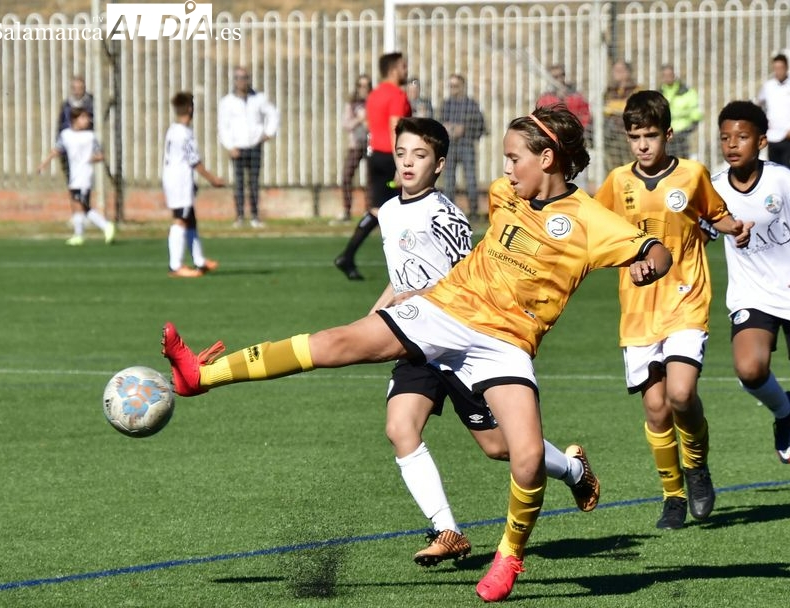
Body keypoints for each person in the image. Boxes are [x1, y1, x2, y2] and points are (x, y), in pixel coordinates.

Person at [161, 105, 673, 602]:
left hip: (505, 343)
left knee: (525, 455)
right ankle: (201, 377)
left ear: (547, 159)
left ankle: (509, 556)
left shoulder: (589, 219)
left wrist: (648, 263)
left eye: (514, 157)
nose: (504, 169)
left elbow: (653, 248)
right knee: (337, 343)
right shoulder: (504, 194)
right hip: (443, 312)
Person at [371, 117, 600, 566]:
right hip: (416, 339)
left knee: (499, 446)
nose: (408, 163)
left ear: (439, 165)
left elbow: (469, 275)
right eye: (401, 154)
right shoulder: (388, 211)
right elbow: (399, 280)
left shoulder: (444, 214)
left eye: (419, 156)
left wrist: (419, 298)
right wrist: (376, 319)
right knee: (400, 428)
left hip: (460, 342)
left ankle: (573, 469)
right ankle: (447, 529)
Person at [595, 90, 753, 530]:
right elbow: (593, 227)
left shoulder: (691, 175)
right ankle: (672, 494)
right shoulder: (618, 183)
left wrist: (735, 229)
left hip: (686, 297)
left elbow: (716, 215)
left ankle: (697, 467)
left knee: (682, 394)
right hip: (638, 310)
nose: (642, 145)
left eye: (650, 136)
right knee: (657, 409)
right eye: (634, 137)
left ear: (667, 135)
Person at [710, 100, 790, 463]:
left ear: (760, 141)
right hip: (752, 296)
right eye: (725, 137)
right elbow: (697, 231)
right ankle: (786, 414)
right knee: (749, 369)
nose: (731, 144)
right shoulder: (713, 190)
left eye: (741, 137)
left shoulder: (782, 179)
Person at [334, 52, 411, 281]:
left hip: (376, 156)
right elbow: (395, 127)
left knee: (379, 209)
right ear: (394, 69)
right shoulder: (396, 95)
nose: (407, 71)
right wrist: (401, 163)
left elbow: (373, 124)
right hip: (391, 158)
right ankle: (406, 266)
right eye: (404, 66)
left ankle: (348, 256)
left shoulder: (375, 95)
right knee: (404, 209)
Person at [162, 92, 226, 278]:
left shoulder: (173, 130)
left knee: (190, 219)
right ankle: (175, 266)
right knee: (180, 220)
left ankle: (199, 260)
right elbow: (193, 160)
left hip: (173, 177)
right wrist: (212, 179)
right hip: (179, 180)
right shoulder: (184, 133)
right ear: (190, 109)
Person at [37, 107, 115, 246]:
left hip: (85, 176)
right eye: (83, 118)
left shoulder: (90, 136)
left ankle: (106, 226)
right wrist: (44, 164)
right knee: (76, 206)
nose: (87, 121)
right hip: (74, 176)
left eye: (87, 118)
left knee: (83, 206)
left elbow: (100, 155)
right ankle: (79, 235)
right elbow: (56, 150)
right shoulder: (66, 135)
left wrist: (93, 159)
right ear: (74, 120)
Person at [217, 66, 280, 228]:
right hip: (237, 147)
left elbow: (273, 114)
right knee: (238, 183)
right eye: (238, 78)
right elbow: (223, 127)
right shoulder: (227, 102)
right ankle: (239, 217)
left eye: (244, 78)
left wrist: (268, 133)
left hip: (254, 145)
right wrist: (230, 146)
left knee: (253, 183)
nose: (241, 81)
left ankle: (254, 216)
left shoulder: (259, 98)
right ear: (234, 80)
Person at [536, 63, 592, 189]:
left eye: (561, 76)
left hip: (574, 142)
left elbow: (585, 116)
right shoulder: (545, 99)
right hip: (554, 143)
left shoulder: (575, 96)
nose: (558, 79)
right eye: (554, 77)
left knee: (579, 175)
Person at [440, 74, 485, 218]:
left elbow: (481, 125)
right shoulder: (446, 105)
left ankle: (473, 210)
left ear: (462, 86)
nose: (453, 89)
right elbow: (439, 123)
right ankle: (449, 210)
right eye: (451, 86)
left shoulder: (471, 105)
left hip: (466, 145)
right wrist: (446, 128)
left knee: (471, 180)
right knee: (449, 181)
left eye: (456, 86)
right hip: (450, 147)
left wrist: (464, 128)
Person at [336, 75, 372, 224]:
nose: (363, 89)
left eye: (366, 85)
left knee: (372, 179)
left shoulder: (373, 103)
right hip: (356, 144)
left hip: (371, 145)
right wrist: (359, 119)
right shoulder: (352, 104)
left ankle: (370, 211)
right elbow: (346, 124)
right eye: (360, 85)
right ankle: (347, 210)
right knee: (346, 176)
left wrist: (368, 121)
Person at [603, 59, 640, 173]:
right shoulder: (609, 90)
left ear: (628, 72)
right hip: (612, 134)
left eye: (620, 70)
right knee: (612, 166)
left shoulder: (636, 89)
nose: (617, 73)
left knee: (631, 165)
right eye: (615, 70)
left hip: (628, 133)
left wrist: (613, 109)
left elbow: (630, 107)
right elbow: (603, 108)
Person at [57, 75, 95, 186]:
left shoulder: (91, 104)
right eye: (75, 88)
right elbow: (61, 125)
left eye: (80, 88)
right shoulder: (66, 105)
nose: (77, 91)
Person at [755, 53, 790, 169]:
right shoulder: (768, 86)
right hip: (772, 136)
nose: (778, 71)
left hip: (788, 136)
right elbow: (758, 103)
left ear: (786, 67)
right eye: (776, 68)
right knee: (775, 169)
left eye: (781, 68)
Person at [659, 65, 703, 159]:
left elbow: (695, 112)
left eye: (670, 74)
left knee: (683, 160)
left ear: (674, 75)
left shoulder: (687, 92)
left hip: (683, 132)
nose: (668, 77)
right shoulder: (659, 93)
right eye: (665, 75)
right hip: (667, 133)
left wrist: (691, 127)